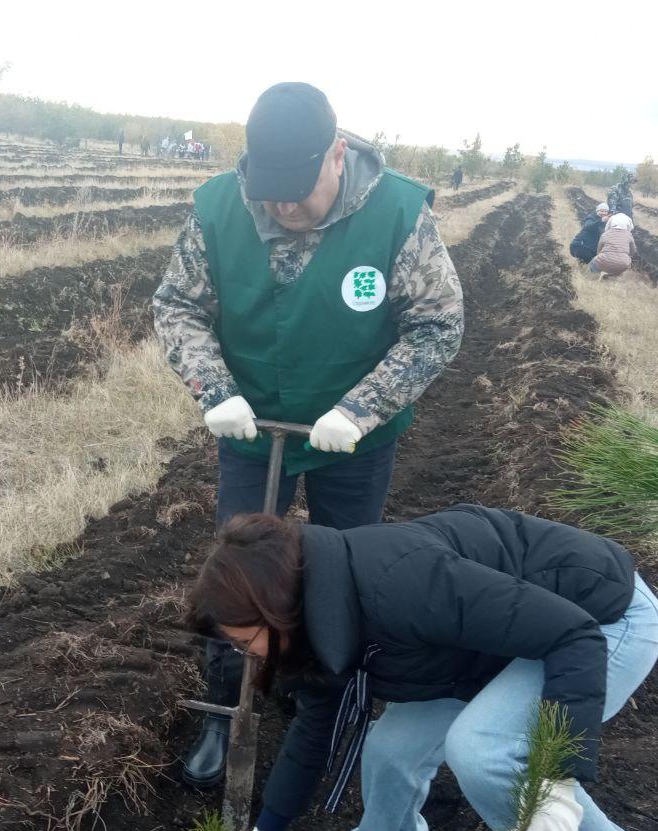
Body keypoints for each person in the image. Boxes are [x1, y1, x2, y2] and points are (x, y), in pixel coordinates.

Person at [152, 82, 464, 788]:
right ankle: (225, 712)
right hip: (249, 423)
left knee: (346, 565)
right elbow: (177, 307)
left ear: (337, 155)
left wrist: (361, 408)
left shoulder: (397, 214)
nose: (283, 207)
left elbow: (438, 324)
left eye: (297, 190)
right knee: (235, 567)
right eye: (271, 191)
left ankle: (331, 702)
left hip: (351, 434)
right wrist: (213, 388)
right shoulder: (218, 208)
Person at [190, 505, 658, 831]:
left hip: (602, 620)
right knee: (390, 746)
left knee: (485, 750)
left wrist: (557, 776)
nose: (244, 653)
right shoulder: (314, 628)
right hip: (496, 648)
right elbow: (315, 730)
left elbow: (572, 636)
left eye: (242, 639)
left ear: (274, 609)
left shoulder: (400, 582)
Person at [589, 213, 637, 279]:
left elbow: (599, 249)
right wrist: (627, 256)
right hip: (623, 263)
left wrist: (600, 255)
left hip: (605, 260)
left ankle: (595, 276)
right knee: (621, 265)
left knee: (593, 263)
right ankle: (613, 276)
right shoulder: (629, 235)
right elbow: (633, 250)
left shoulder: (605, 234)